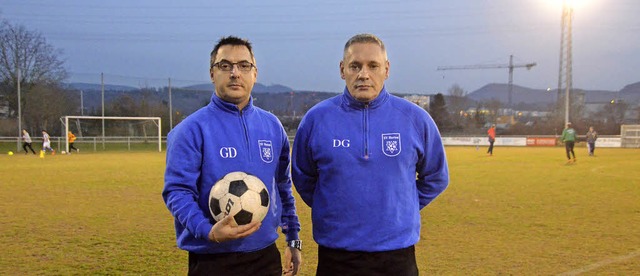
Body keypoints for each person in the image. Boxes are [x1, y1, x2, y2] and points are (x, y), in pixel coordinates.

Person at [292, 33, 449, 275]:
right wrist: (335, 206)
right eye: (355, 66)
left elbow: (436, 177)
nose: (364, 74)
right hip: (336, 256)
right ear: (342, 69)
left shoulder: (415, 119)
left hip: (397, 257)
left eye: (373, 66)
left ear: (386, 69)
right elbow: (303, 177)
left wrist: (400, 206)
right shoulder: (316, 119)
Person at [162, 36, 302, 276]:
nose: (235, 73)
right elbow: (177, 191)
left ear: (254, 73)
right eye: (225, 65)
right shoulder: (191, 129)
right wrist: (208, 231)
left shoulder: (272, 126)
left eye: (244, 66)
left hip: (266, 257)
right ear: (212, 73)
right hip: (212, 259)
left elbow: (282, 187)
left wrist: (293, 238)